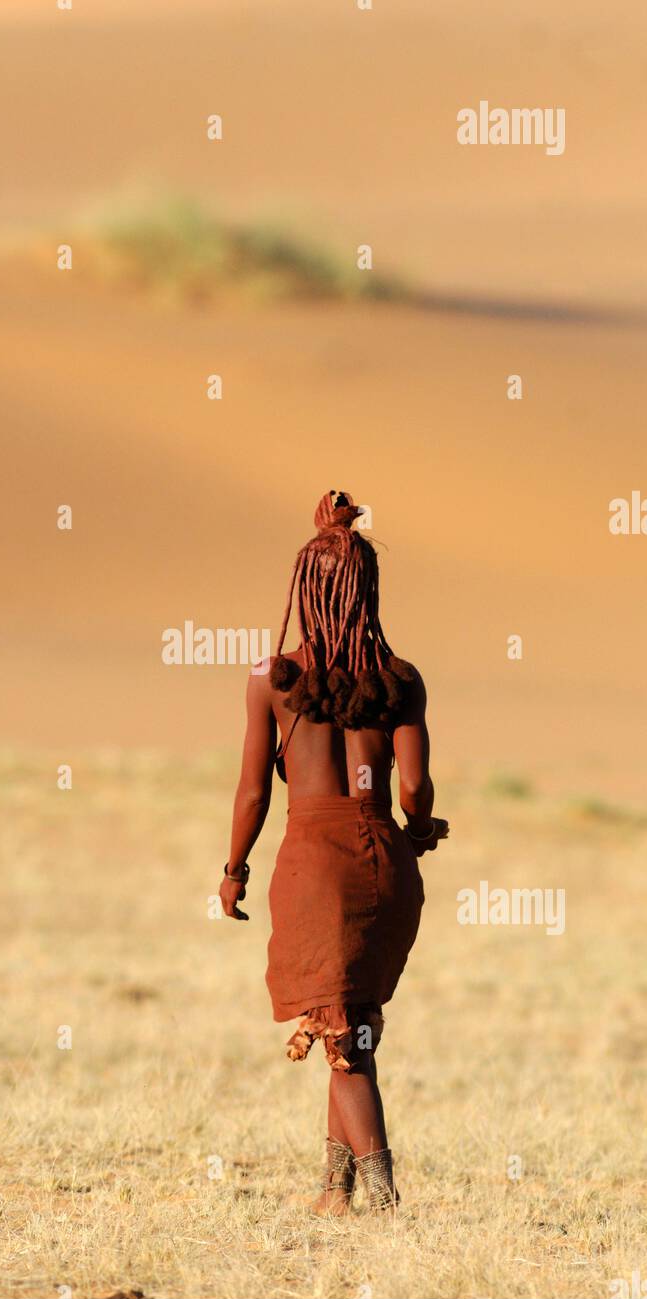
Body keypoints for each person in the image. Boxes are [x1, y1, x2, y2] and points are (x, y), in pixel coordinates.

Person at [219, 490, 448, 1215]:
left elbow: (253, 793)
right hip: (385, 860)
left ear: (306, 588)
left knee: (342, 1033)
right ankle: (333, 1191)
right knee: (347, 1019)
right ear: (365, 590)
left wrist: (233, 869)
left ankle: (380, 1195)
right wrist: (417, 828)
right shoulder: (399, 680)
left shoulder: (270, 680)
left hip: (314, 865)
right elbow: (413, 784)